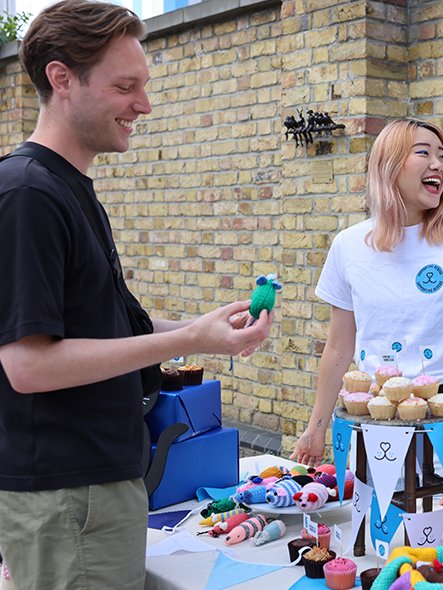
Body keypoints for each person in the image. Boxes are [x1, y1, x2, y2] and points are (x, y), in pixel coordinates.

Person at [0, 2, 273, 589]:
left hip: (93, 488)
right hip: (69, 493)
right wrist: (188, 339)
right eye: (126, 87)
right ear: (61, 78)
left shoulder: (66, 189)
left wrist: (203, 329)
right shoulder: (28, 194)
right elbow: (27, 365)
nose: (143, 105)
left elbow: (96, 330)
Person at [291, 118, 443, 496]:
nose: (438, 164)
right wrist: (316, 428)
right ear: (389, 165)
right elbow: (339, 348)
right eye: (423, 153)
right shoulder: (349, 246)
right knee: (382, 538)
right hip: (376, 423)